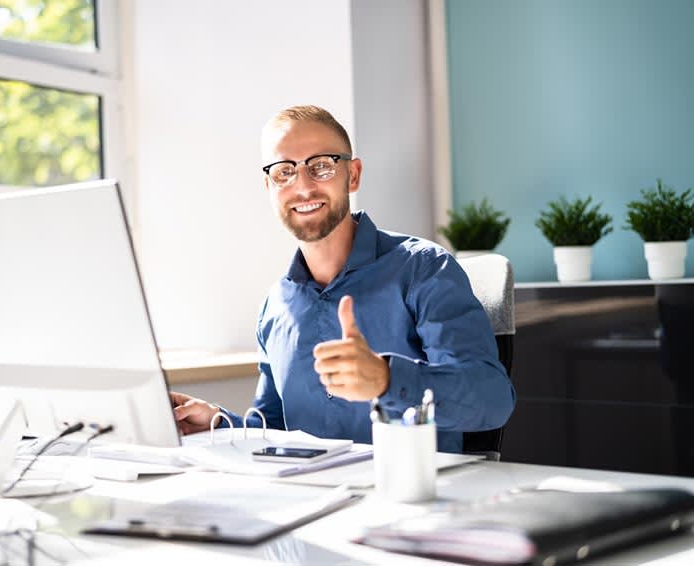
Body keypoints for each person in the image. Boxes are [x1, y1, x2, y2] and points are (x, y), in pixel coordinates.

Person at [170, 105, 515, 453]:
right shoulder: (275, 306)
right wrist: (217, 421)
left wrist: (387, 379)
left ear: (352, 175)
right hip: (312, 486)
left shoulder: (424, 269)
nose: (303, 187)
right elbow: (274, 429)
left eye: (321, 166)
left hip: (411, 484)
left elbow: (493, 400)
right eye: (284, 171)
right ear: (269, 186)